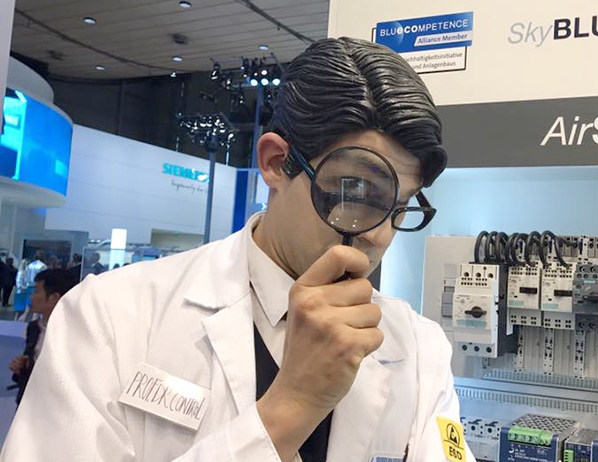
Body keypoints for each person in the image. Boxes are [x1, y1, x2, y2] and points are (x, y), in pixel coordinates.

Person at [0, 37, 474, 462]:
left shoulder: (419, 348)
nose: (380, 235)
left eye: (400, 208)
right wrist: (291, 407)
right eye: (357, 192)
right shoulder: (109, 316)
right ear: (276, 163)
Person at [8, 269, 77, 405]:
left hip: (58, 405)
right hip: (29, 403)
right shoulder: (34, 328)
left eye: (36, 292)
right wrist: (21, 366)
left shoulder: (75, 333)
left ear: (53, 298)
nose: (31, 297)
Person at [14, 252, 47, 321]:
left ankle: (20, 322)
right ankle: (33, 324)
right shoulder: (43, 266)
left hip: (29, 287)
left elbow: (25, 277)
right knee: (36, 310)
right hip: (37, 288)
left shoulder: (29, 266)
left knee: (27, 309)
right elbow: (44, 278)